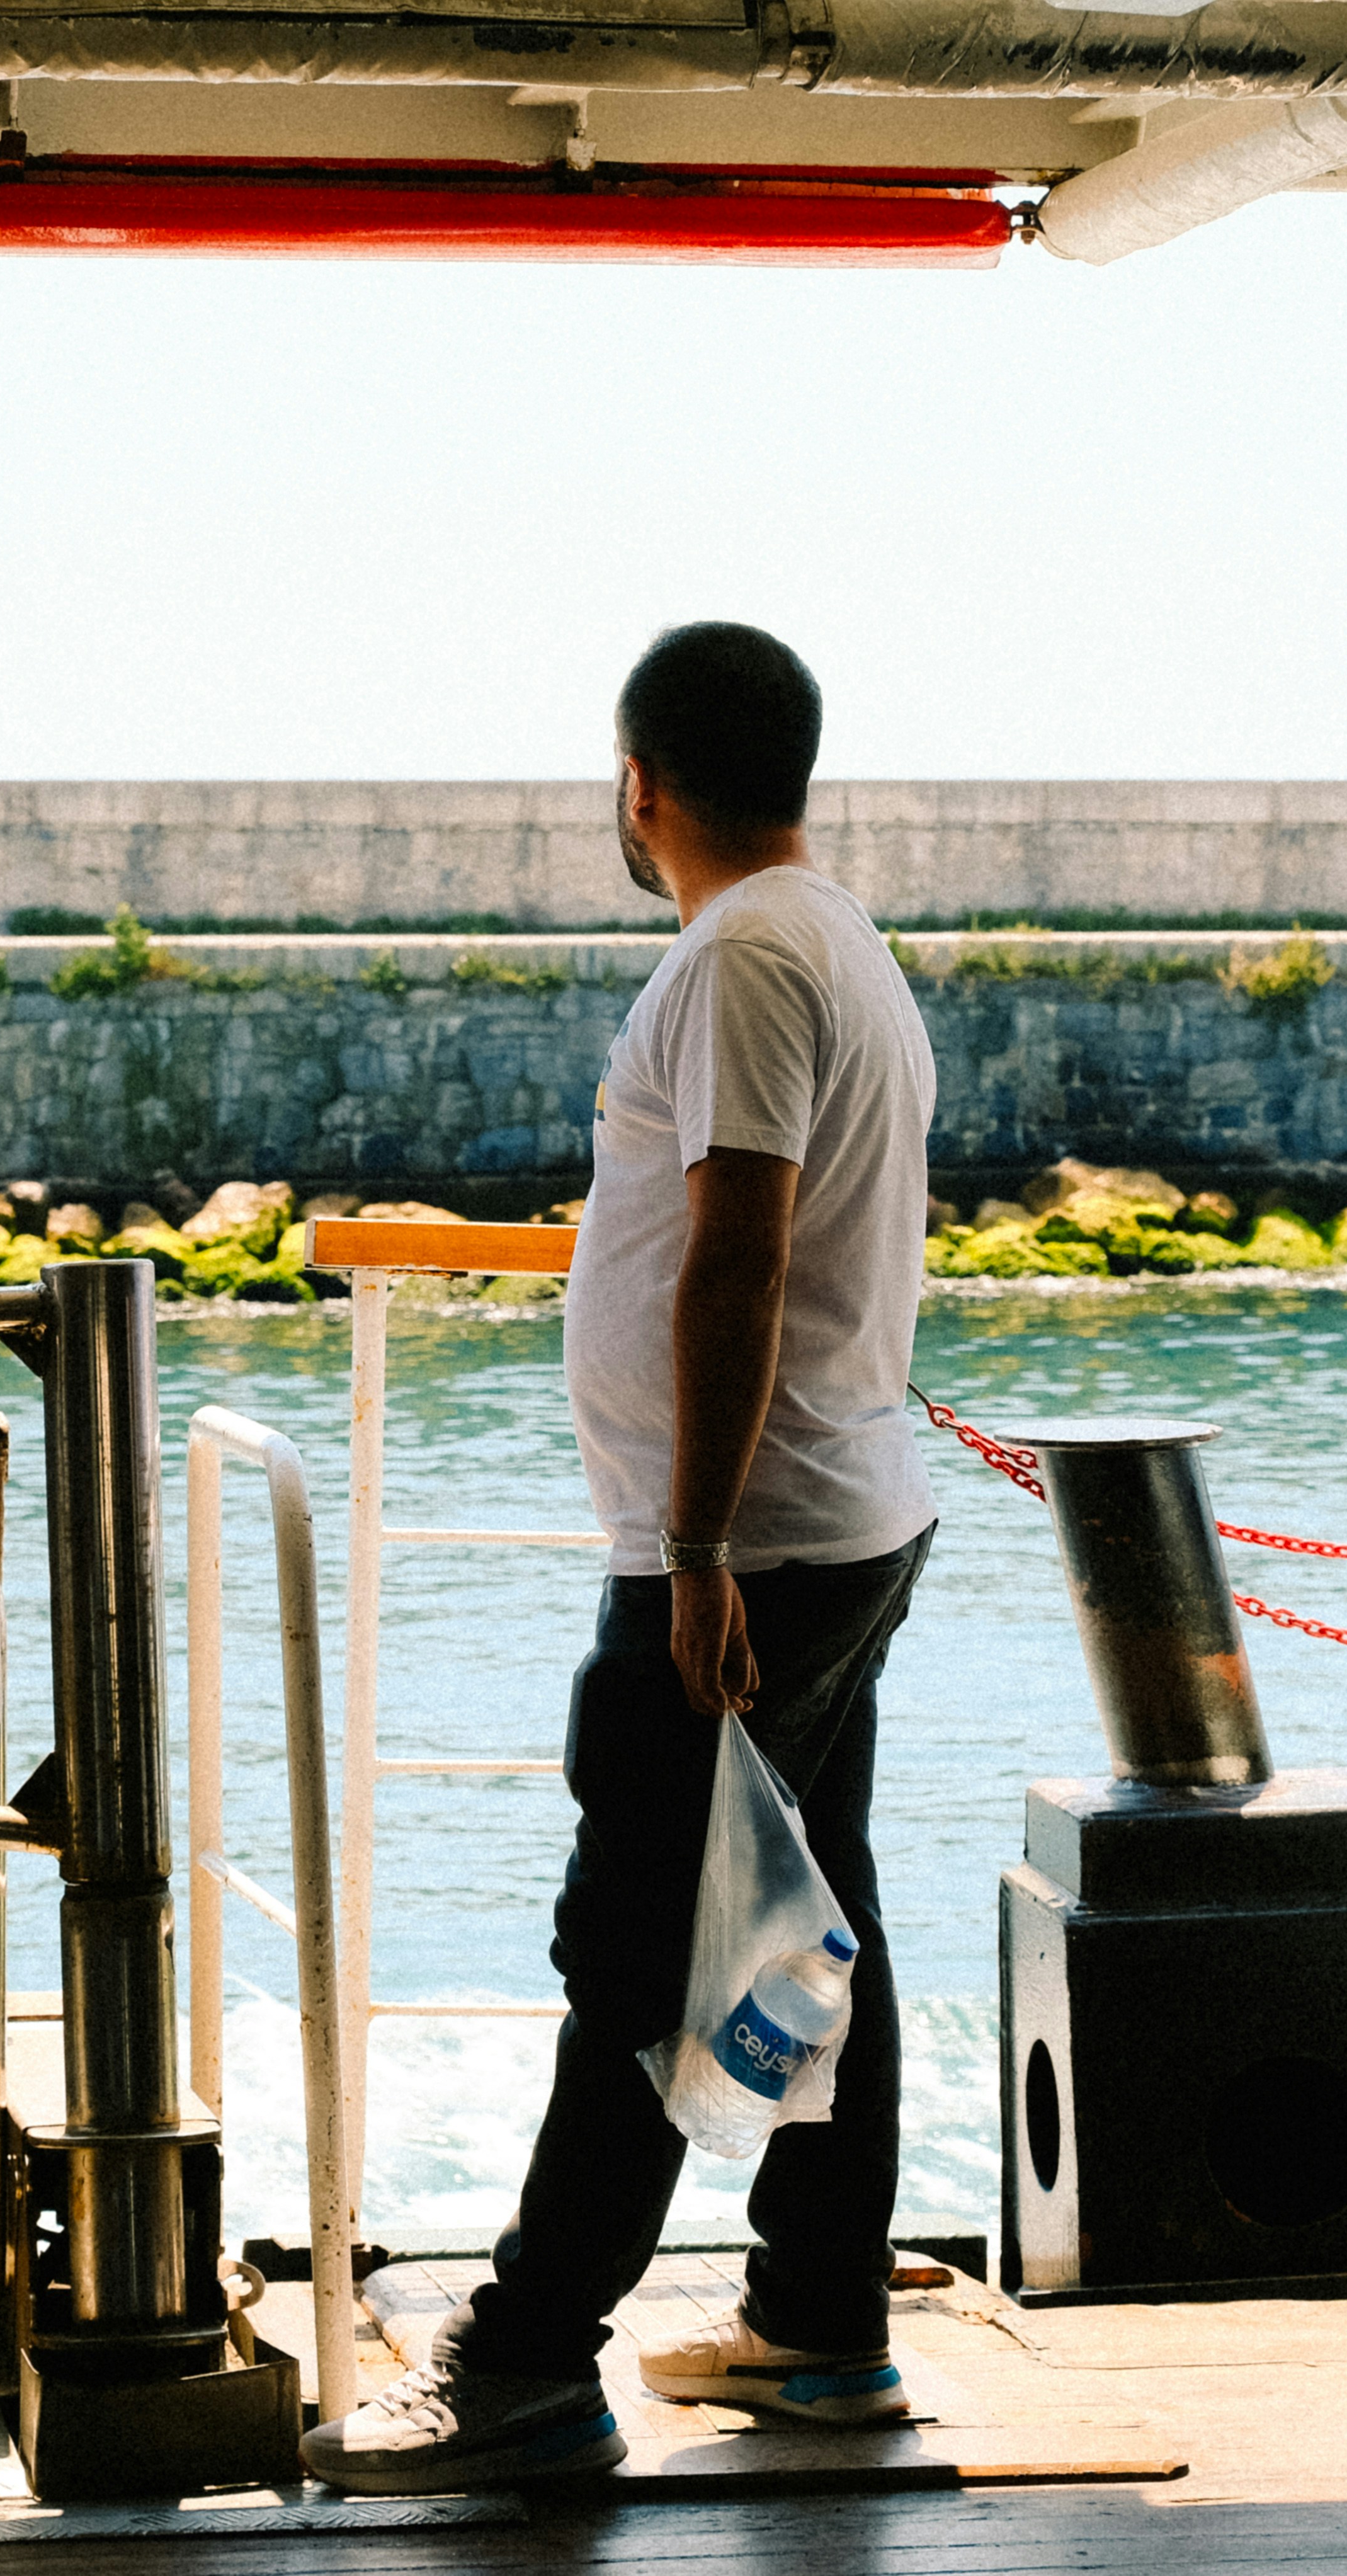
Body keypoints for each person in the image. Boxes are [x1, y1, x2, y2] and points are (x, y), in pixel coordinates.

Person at [301, 623, 940, 2493]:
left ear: (640, 780)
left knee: (641, 1945)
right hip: (839, 1519)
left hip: (757, 1546)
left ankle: (525, 2365)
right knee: (818, 1920)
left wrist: (697, 1544)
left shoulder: (742, 955)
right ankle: (821, 2321)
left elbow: (742, 1248)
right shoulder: (836, 941)